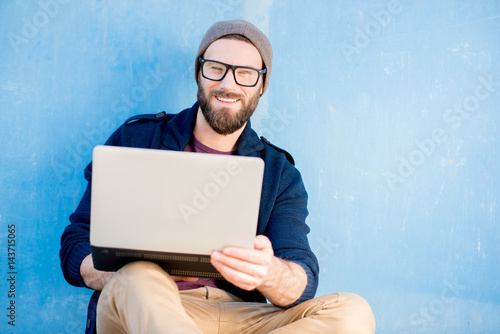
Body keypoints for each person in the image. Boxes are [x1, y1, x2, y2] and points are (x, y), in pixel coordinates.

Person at [60, 19, 376, 334]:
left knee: (353, 313)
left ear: (262, 85)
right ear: (199, 72)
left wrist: (269, 273)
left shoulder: (279, 173)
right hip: (153, 307)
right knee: (139, 274)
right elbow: (76, 242)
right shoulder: (137, 139)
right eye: (216, 68)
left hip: (242, 316)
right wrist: (119, 278)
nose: (228, 84)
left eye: (246, 73)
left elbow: (300, 275)